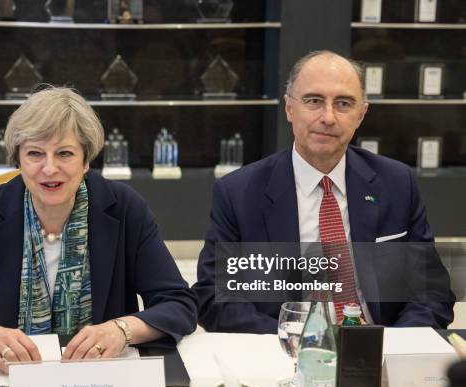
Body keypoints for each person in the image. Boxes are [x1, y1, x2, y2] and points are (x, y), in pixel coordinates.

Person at [0, 87, 197, 373]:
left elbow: (179, 304)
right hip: (7, 383)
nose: (49, 168)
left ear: (86, 161)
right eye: (35, 153)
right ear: (17, 160)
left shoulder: (124, 208)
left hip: (101, 380)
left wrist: (122, 329)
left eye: (65, 153)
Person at [193, 50, 455, 333]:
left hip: (379, 347)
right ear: (289, 109)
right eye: (314, 101)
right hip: (284, 351)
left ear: (361, 115)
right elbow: (215, 297)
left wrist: (390, 346)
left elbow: (431, 292)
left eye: (343, 103)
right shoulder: (238, 193)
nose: (328, 117)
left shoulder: (398, 183)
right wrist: (302, 342)